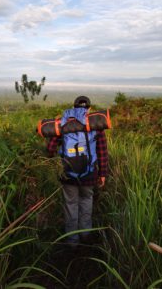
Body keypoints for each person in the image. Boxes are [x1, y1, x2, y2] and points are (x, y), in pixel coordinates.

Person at [47, 96, 108, 248]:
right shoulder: (95, 124)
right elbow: (102, 152)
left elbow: (50, 150)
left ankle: (71, 241)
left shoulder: (62, 124)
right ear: (89, 109)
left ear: (73, 107)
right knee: (87, 201)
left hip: (68, 175)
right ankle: (86, 235)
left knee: (70, 205)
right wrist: (102, 174)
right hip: (90, 174)